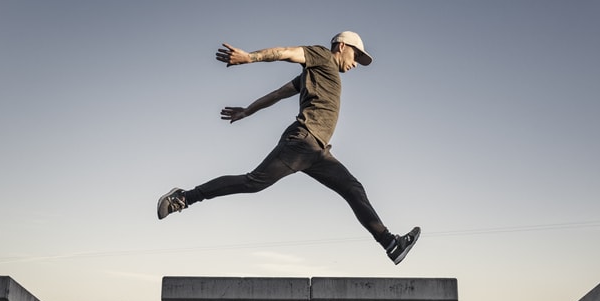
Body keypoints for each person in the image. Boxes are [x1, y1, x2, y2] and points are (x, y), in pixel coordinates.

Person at [158, 31, 420, 265]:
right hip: (302, 142)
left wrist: (248, 110)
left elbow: (277, 94)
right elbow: (286, 52)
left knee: (353, 188)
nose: (355, 64)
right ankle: (183, 198)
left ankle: (390, 244)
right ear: (341, 46)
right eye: (356, 55)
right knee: (253, 182)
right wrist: (250, 57)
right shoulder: (321, 56)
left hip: (318, 152)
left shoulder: (316, 76)